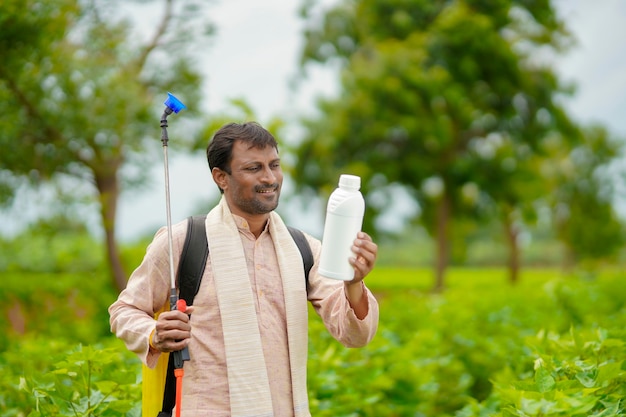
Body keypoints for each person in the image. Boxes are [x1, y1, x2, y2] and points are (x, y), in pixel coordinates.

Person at [109, 121, 379, 417]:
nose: (270, 178)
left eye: (274, 165)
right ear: (221, 177)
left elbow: (355, 336)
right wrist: (153, 333)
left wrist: (353, 283)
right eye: (254, 168)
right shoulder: (184, 240)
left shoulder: (302, 247)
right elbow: (124, 311)